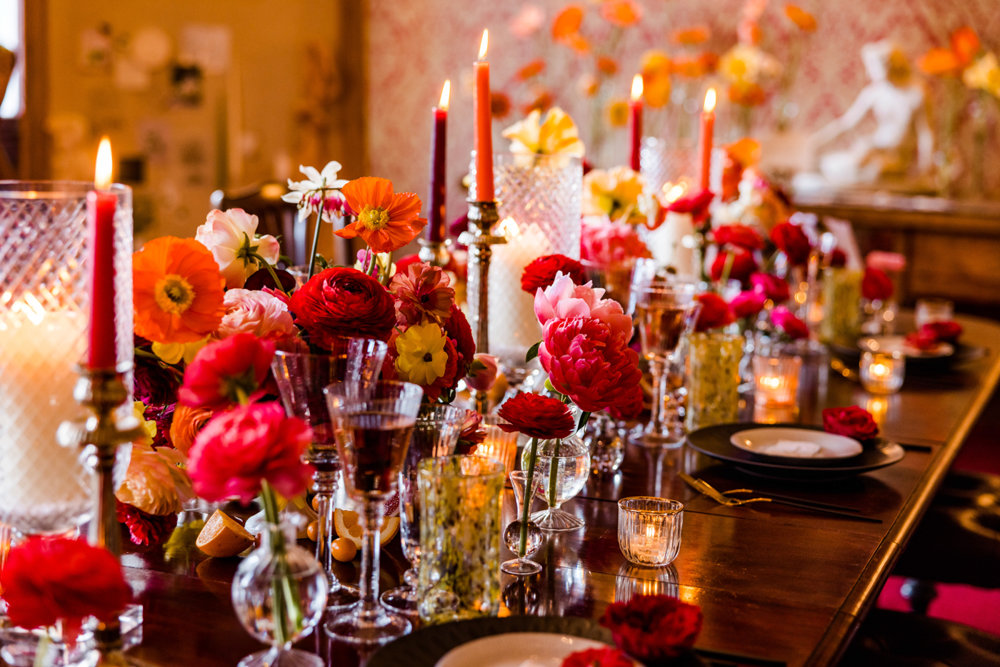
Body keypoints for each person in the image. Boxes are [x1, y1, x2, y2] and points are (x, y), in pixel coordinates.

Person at [807, 41, 933, 187]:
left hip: (896, 158)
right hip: (874, 148)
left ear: (888, 65)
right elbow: (846, 124)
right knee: (834, 165)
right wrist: (817, 141)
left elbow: (926, 134)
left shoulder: (916, 94)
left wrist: (925, 169)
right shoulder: (874, 93)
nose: (869, 72)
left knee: (869, 169)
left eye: (872, 66)